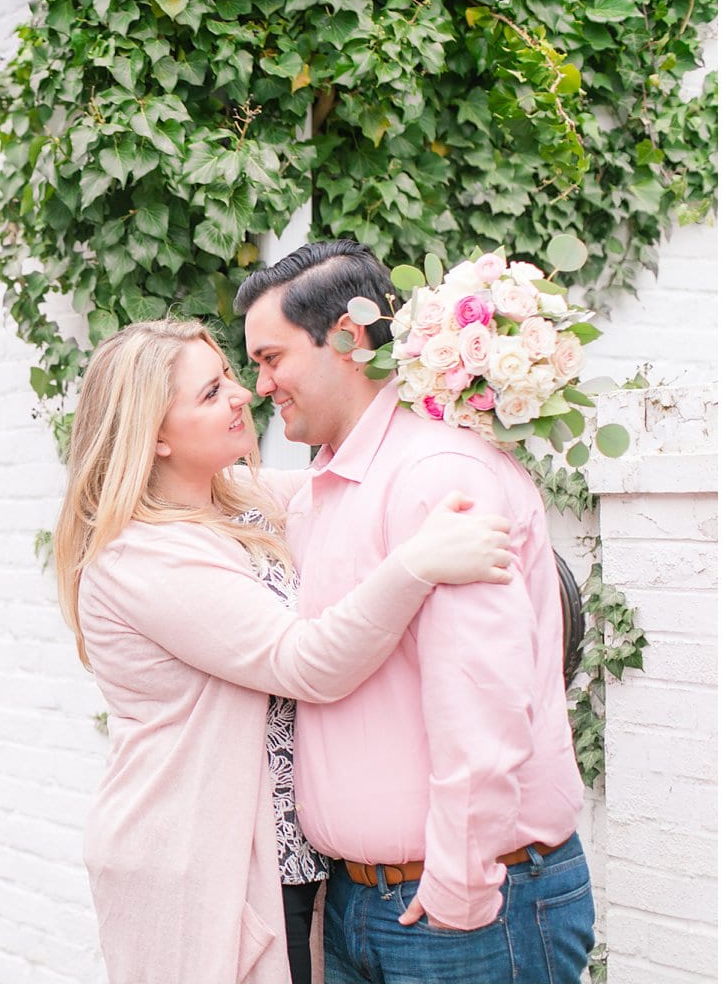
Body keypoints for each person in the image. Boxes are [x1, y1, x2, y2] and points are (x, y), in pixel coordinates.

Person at [53, 318, 516, 983]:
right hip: (195, 856)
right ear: (153, 435)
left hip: (282, 861)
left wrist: (444, 387)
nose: (242, 394)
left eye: (229, 379)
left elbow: (359, 488)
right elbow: (303, 662)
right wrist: (416, 563)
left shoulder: (240, 501)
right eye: (210, 392)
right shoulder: (142, 554)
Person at [239, 240, 596, 984]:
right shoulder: (330, 484)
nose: (260, 382)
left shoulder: (436, 475)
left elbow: (480, 699)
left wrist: (459, 883)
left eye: (271, 358)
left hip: (458, 910)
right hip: (363, 904)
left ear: (344, 336)